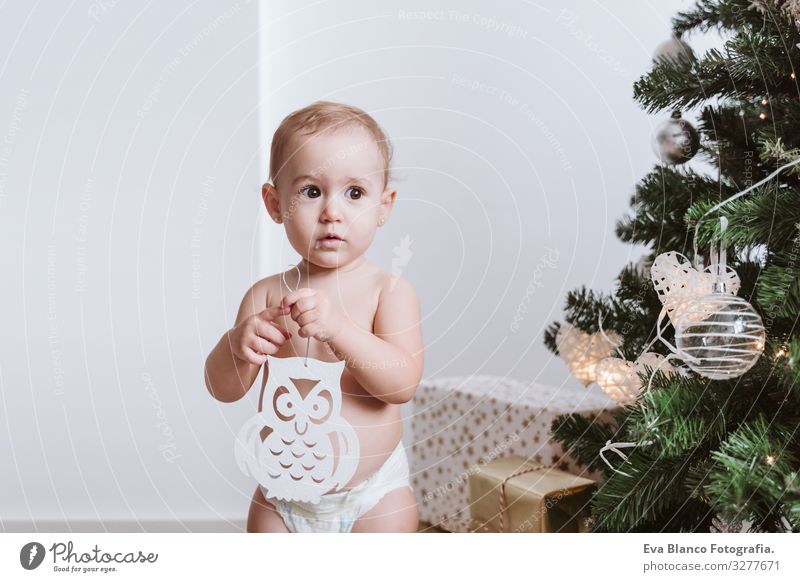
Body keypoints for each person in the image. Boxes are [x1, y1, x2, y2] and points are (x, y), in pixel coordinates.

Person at [204, 101, 424, 532]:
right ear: (274, 203)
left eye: (355, 193)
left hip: (373, 498)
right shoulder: (267, 295)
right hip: (281, 497)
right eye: (310, 191)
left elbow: (401, 385)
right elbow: (222, 389)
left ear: (385, 204)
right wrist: (237, 346)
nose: (331, 213)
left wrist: (340, 330)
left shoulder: (389, 292)